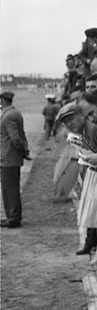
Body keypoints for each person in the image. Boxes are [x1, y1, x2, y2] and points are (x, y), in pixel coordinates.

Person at [56, 103, 97, 264]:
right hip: (94, 171)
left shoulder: (92, 129)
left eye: (71, 119)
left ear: (81, 115)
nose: (69, 124)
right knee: (93, 213)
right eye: (65, 122)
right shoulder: (82, 132)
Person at [1, 91, 29, 228]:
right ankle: (12, 216)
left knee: (9, 189)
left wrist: (22, 151)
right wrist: (24, 150)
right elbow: (21, 135)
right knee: (10, 188)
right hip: (11, 157)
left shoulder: (8, 116)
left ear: (2, 100)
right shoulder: (15, 113)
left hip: (8, 157)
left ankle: (13, 218)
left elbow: (16, 139)